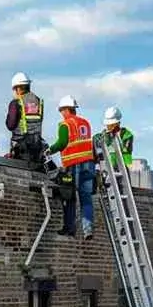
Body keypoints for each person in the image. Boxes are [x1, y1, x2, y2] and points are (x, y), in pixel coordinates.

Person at [48, 95, 96, 239]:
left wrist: (49, 150)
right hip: (89, 164)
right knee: (86, 199)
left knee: (69, 196)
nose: (61, 114)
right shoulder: (85, 123)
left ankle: (70, 228)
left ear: (65, 109)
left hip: (73, 165)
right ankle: (88, 230)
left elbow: (62, 143)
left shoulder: (65, 125)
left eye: (61, 111)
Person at [5, 72, 44, 165]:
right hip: (37, 146)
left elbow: (10, 125)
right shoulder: (38, 102)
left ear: (17, 88)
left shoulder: (16, 102)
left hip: (20, 147)